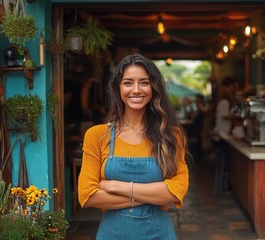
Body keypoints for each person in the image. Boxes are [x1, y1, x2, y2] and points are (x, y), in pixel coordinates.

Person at [78, 54, 190, 239]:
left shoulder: (171, 135)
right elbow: (88, 196)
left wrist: (116, 186)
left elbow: (176, 191)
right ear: (118, 88)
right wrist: (153, 194)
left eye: (144, 82)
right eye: (128, 83)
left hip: (158, 233)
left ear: (154, 87)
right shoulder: (97, 136)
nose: (136, 90)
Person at [213, 76, 239, 193]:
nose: (235, 89)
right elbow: (225, 115)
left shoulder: (223, 99)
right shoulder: (224, 100)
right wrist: (237, 115)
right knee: (221, 165)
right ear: (230, 86)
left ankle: (220, 187)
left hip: (222, 135)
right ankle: (219, 188)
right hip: (221, 136)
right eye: (234, 87)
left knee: (221, 165)